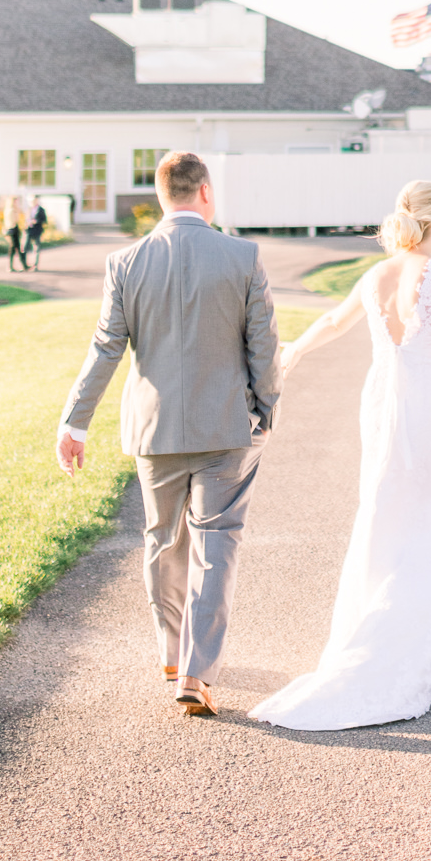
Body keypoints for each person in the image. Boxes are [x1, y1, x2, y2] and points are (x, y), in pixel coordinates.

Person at [250, 178, 431, 732]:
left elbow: (332, 322)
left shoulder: (376, 275)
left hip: (381, 402)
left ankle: (383, 619)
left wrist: (295, 350)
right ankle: (428, 634)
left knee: (387, 508)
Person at [55, 151, 280, 719]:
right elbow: (265, 350)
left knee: (161, 540)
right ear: (204, 192)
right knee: (216, 545)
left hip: (154, 431)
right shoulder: (243, 256)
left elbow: (106, 347)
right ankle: (198, 673)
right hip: (226, 427)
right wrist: (265, 410)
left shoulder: (125, 262)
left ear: (162, 196)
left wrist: (74, 422)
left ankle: (171, 654)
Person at [24, 196, 48, 269]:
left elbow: (45, 220)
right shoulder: (29, 209)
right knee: (26, 247)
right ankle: (25, 264)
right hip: (29, 230)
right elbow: (26, 219)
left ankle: (35, 265)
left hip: (37, 230)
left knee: (36, 248)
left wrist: (36, 221)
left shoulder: (41, 210)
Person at [3, 194, 25, 271]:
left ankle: (20, 265)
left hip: (10, 230)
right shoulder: (12, 211)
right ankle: (18, 265)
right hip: (13, 230)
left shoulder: (7, 210)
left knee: (15, 248)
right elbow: (15, 221)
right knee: (15, 248)